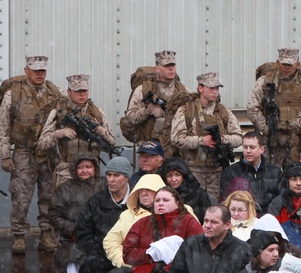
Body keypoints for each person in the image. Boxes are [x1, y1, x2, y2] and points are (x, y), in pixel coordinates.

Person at [0, 55, 62, 254]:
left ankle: (46, 233)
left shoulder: (53, 91)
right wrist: (5, 155)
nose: (39, 74)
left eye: (42, 71)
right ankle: (19, 235)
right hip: (24, 152)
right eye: (35, 71)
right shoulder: (14, 93)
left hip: (48, 153)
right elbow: (4, 125)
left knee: (49, 195)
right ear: (26, 70)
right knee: (21, 196)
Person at [169, 71, 244, 199]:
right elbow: (176, 139)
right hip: (193, 170)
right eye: (211, 88)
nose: (215, 92)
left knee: (215, 205)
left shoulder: (223, 111)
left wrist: (222, 139)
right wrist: (202, 141)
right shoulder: (186, 110)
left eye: (217, 88)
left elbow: (238, 137)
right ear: (200, 88)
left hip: (217, 171)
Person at [36, 73, 117, 188]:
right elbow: (42, 145)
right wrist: (58, 134)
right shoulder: (57, 112)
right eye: (77, 91)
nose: (82, 95)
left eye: (84, 91)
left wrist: (100, 130)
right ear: (68, 92)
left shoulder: (97, 113)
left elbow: (113, 142)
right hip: (66, 171)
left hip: (90, 171)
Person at [49, 153, 101, 273]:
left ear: (95, 168)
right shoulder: (64, 188)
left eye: (88, 167)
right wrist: (73, 229)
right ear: (74, 170)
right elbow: (54, 215)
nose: (85, 171)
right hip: (74, 237)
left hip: (102, 235)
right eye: (80, 167)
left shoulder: (104, 184)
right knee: (73, 257)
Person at [246, 47, 301, 165]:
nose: (287, 67)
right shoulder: (265, 82)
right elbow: (252, 108)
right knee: (270, 175)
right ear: (278, 62)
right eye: (284, 64)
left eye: (290, 64)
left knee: (295, 175)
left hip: (295, 139)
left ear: (297, 64)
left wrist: (298, 128)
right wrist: (266, 129)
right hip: (272, 139)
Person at [121, 50, 187, 152]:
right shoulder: (143, 89)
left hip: (175, 147)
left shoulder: (183, 90)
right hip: (150, 147)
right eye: (166, 66)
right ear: (157, 68)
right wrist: (148, 110)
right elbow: (131, 117)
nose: (171, 68)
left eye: (173, 65)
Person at [219, 131, 282, 212]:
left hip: (270, 218)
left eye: (252, 147)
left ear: (262, 149)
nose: (248, 151)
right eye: (245, 147)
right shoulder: (230, 173)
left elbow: (281, 200)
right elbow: (226, 203)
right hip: (242, 219)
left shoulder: (275, 172)